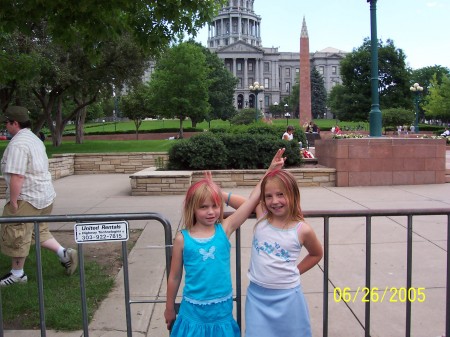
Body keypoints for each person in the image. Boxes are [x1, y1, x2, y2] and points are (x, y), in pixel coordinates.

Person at [164, 149, 286, 337]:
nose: (211, 211)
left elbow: (253, 200)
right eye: (203, 207)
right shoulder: (182, 238)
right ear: (192, 208)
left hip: (221, 311)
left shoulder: (224, 229)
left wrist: (269, 172)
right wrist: (169, 307)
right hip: (192, 312)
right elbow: (174, 277)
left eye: (215, 205)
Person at [225, 169, 323, 337]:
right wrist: (222, 195)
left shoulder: (302, 230)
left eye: (280, 194)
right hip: (257, 297)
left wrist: (296, 271)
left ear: (293, 195)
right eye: (268, 196)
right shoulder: (263, 216)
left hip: (289, 298)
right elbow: (248, 202)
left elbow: (316, 254)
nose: (274, 201)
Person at [0, 106, 78, 286]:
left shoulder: (18, 144)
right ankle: (64, 254)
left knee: (16, 232)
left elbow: (17, 176)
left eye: (7, 122)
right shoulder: (34, 139)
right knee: (37, 230)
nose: (5, 126)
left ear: (15, 123)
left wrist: (13, 202)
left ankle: (17, 274)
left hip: (27, 197)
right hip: (45, 197)